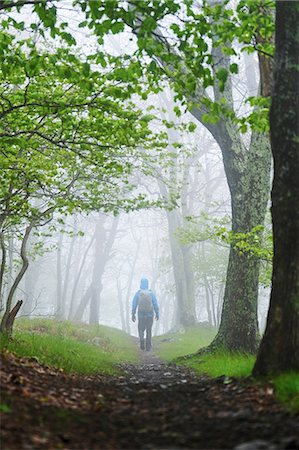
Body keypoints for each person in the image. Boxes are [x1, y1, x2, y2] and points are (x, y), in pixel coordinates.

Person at [132, 278, 159, 351]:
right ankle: (148, 346)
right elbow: (155, 304)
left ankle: (141, 341)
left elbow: (134, 304)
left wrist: (133, 314)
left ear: (141, 283)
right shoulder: (151, 293)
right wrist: (157, 313)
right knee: (149, 330)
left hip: (141, 315)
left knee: (141, 329)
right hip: (150, 315)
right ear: (147, 284)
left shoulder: (138, 293)